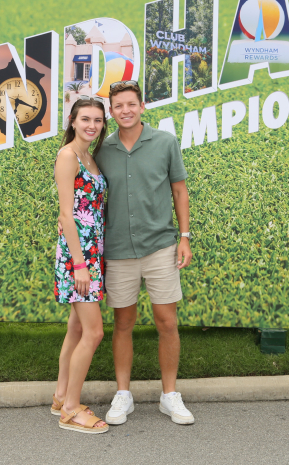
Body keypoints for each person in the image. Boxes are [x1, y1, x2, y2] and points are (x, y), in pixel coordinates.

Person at [94, 80, 194, 425]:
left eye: (131, 104)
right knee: (123, 323)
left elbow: (179, 191)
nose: (125, 110)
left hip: (160, 246)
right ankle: (123, 394)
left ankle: (170, 395)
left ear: (142, 106)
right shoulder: (102, 150)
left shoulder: (165, 142)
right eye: (118, 105)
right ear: (111, 111)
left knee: (167, 322)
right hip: (118, 249)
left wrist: (184, 237)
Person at [52, 97, 110, 434]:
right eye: (85, 119)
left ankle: (61, 396)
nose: (92, 125)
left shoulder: (89, 157)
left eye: (98, 120)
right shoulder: (68, 156)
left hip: (91, 254)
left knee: (76, 329)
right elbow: (66, 215)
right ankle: (72, 410)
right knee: (94, 331)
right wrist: (79, 264)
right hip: (78, 258)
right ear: (73, 121)